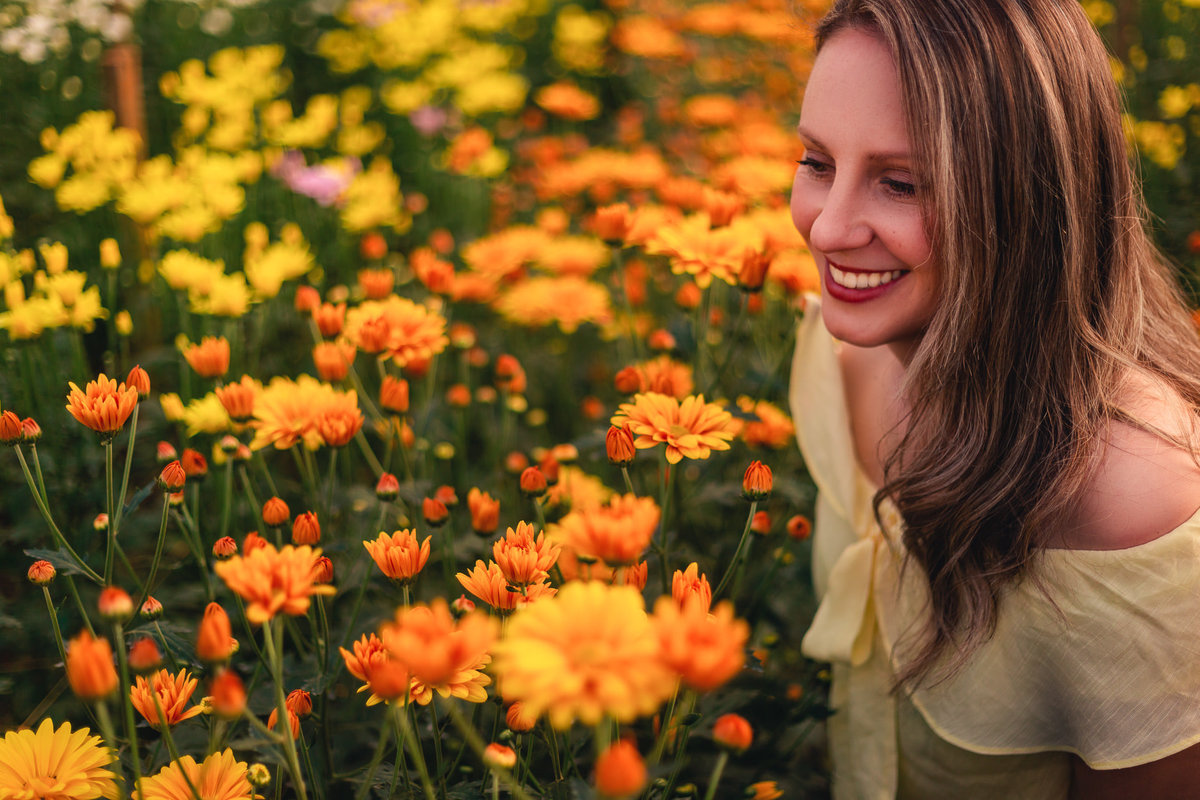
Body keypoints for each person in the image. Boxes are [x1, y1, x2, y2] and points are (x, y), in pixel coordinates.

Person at [786, 1, 1200, 797]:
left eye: (899, 183)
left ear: (1028, 199)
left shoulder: (1130, 503)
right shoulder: (846, 357)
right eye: (816, 162)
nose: (828, 229)